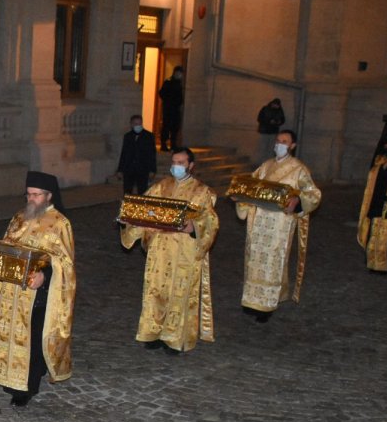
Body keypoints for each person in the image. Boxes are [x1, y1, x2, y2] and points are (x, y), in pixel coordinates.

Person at [0, 171, 75, 407]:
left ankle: (25, 390)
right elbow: (7, 246)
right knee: (10, 335)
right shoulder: (20, 216)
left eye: (36, 195)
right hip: (12, 291)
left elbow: (65, 263)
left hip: (37, 295)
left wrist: (45, 275)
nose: (30, 199)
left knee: (32, 339)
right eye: (28, 194)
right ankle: (10, 378)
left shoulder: (60, 223)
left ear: (49, 195)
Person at [120, 148, 218, 353]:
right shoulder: (161, 186)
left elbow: (210, 221)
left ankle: (174, 338)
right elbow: (145, 209)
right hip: (160, 250)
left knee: (179, 295)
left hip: (184, 251)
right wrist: (129, 218)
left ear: (191, 165)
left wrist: (194, 228)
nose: (177, 166)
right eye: (174, 162)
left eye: (181, 162)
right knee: (155, 292)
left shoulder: (202, 191)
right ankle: (153, 332)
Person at [236, 130, 322, 321]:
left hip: (279, 223)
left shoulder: (298, 169)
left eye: (284, 141)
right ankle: (251, 301)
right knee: (255, 258)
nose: (280, 144)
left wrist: (297, 201)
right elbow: (251, 186)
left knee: (273, 260)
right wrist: (241, 194)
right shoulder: (266, 166)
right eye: (278, 141)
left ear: (292, 146)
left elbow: (313, 193)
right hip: (258, 221)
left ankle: (266, 305)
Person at [357, 147, 387, 272]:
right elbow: (376, 182)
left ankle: (386, 264)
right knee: (374, 234)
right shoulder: (378, 168)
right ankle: (372, 262)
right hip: (379, 207)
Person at [116, 114, 157, 194]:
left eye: (139, 124)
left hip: (142, 168)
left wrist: (153, 170)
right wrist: (120, 169)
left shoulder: (148, 136)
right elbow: (124, 153)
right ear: (131, 124)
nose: (138, 126)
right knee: (127, 191)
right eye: (135, 124)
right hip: (129, 168)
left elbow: (152, 154)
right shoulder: (128, 136)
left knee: (142, 191)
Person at [158, 66, 185, 151]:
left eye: (180, 73)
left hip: (176, 109)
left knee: (175, 127)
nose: (179, 75)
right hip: (168, 109)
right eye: (177, 73)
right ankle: (163, 143)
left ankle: (173, 144)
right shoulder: (168, 82)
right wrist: (169, 100)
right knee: (166, 126)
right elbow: (161, 93)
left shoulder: (180, 83)